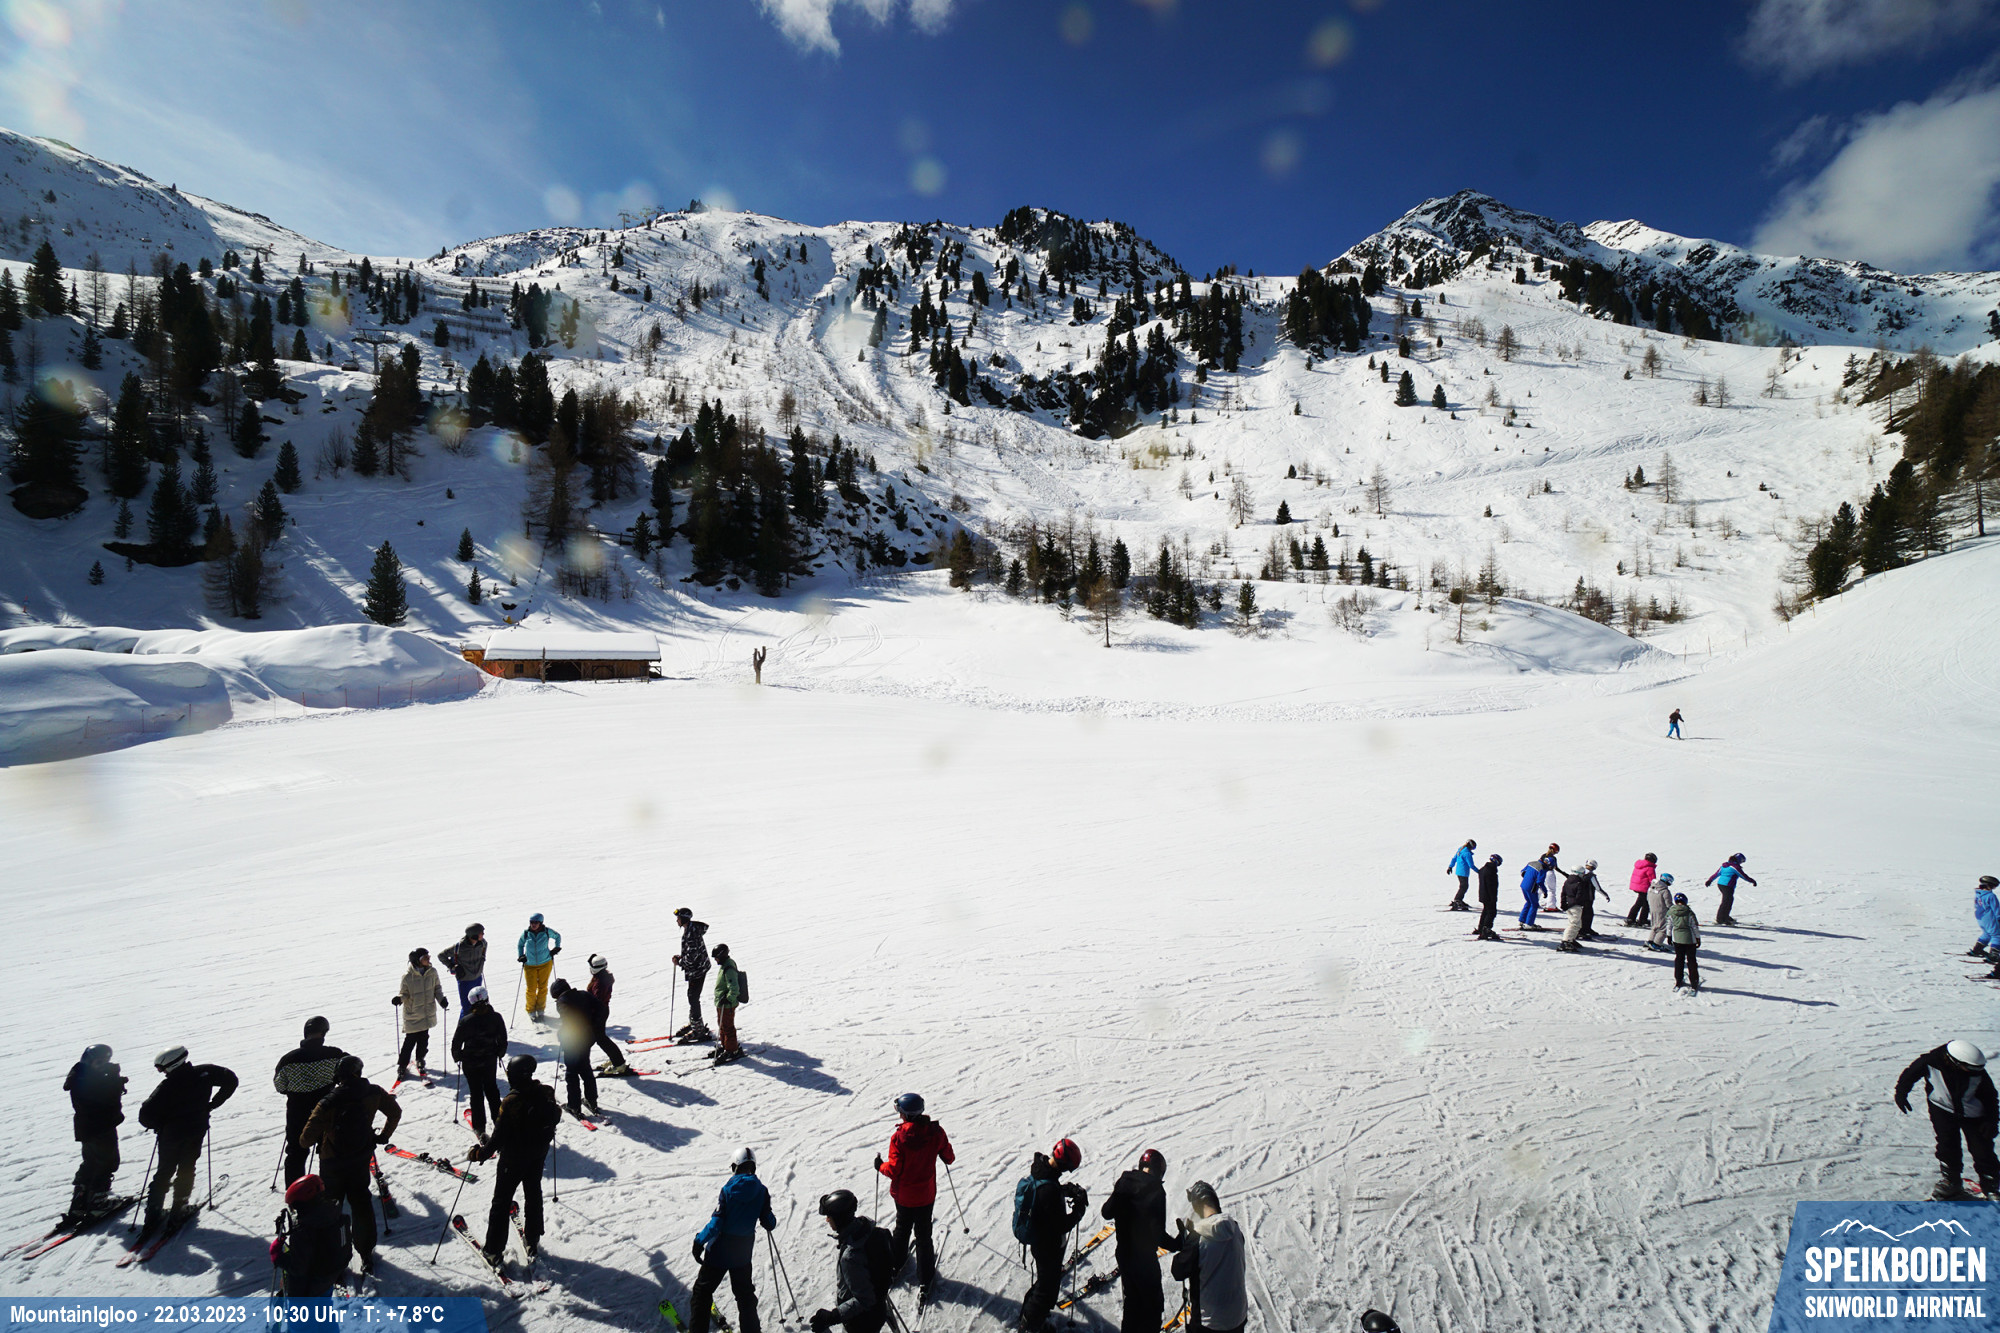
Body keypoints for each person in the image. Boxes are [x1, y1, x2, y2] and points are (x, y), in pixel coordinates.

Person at [299, 1055, 399, 1273]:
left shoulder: (328, 1101)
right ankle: (366, 1252)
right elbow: (395, 1112)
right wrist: (383, 1136)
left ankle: (334, 1255)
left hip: (331, 1161)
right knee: (361, 1203)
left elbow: (305, 1140)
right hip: (361, 1157)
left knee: (331, 1207)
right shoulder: (374, 1092)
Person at [468, 1054, 563, 1264]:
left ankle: (493, 1250)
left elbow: (497, 1138)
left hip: (513, 1159)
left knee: (501, 1202)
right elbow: (556, 1116)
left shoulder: (511, 1101)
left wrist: (478, 1154)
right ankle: (533, 1238)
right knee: (533, 1193)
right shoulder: (546, 1092)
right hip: (538, 1154)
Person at [135, 1046, 236, 1238]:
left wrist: (159, 1123)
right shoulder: (205, 1073)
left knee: (164, 1172)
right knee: (187, 1168)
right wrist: (212, 1105)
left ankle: (153, 1215)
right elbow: (231, 1080)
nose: (161, 1072)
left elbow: (145, 1115)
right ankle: (178, 1210)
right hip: (196, 1130)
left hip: (170, 1136)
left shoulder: (167, 1086)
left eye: (161, 1068)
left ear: (172, 1065)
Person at [1895, 1039, 2000, 1201]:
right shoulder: (1930, 1061)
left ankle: (1991, 1187)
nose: (1976, 1071)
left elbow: (1991, 1097)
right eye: (1971, 1068)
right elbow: (1909, 1075)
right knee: (1947, 1145)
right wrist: (1901, 1093)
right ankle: (1951, 1182)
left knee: (1982, 1150)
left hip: (1973, 1114)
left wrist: (1991, 1121)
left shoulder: (1977, 1072)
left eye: (1979, 1068)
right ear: (1954, 1061)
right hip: (1942, 1109)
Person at [875, 1092, 955, 1298]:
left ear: (906, 1115)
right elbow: (949, 1157)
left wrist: (880, 1166)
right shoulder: (935, 1132)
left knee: (902, 1229)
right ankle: (925, 1277)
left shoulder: (899, 1138)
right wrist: (941, 1153)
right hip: (925, 1195)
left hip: (904, 1196)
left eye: (900, 1112)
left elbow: (893, 1169)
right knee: (923, 1235)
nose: (899, 1115)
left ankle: (896, 1263)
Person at [691, 1146, 778, 1333]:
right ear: (753, 1167)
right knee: (745, 1297)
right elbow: (769, 1222)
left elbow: (716, 1224)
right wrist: (768, 1219)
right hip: (742, 1254)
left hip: (719, 1251)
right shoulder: (762, 1191)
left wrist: (699, 1241)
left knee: (702, 1293)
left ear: (735, 1166)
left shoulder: (728, 1190)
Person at [1101, 1149, 1176, 1333]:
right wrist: (1178, 1243)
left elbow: (1106, 1212)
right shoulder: (1157, 1191)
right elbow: (1158, 1236)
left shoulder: (1124, 1181)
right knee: (1152, 1307)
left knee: (1132, 1302)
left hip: (1124, 1255)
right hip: (1145, 1261)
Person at [1018, 1138, 1088, 1332]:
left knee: (1044, 1283)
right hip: (1047, 1246)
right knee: (1046, 1291)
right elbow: (1060, 1225)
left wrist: (1065, 1189)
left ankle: (1030, 1317)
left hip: (1040, 1241)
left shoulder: (1041, 1170)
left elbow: (1048, 1189)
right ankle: (1029, 1326)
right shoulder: (1049, 1190)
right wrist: (1078, 1212)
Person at [273, 1017, 345, 1185]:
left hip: (297, 1111)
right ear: (324, 1033)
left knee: (296, 1151)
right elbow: (349, 1071)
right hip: (326, 1108)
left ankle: (296, 1190)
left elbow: (280, 1086)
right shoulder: (335, 1054)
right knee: (328, 1148)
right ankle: (330, 1187)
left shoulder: (288, 1059)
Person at [62, 1044, 126, 1224]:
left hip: (86, 1128)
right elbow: (107, 1101)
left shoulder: (80, 1074)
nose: (102, 1065)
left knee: (90, 1162)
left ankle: (80, 1201)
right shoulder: (90, 1080)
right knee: (107, 1163)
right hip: (101, 1127)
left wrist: (111, 1079)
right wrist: (114, 1081)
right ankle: (98, 1202)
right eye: (99, 1062)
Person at [809, 1189, 889, 1333]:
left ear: (840, 1219)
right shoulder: (867, 1230)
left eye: (829, 1216)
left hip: (862, 1322)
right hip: (879, 1307)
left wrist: (833, 1316)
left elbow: (865, 1300)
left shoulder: (851, 1257)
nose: (827, 1220)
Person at [1171, 1181, 1245, 1333]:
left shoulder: (1198, 1238)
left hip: (1209, 1322)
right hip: (1238, 1316)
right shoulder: (1234, 1228)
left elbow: (1178, 1271)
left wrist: (1186, 1240)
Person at [271, 1174, 351, 1297]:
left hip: (308, 1289)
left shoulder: (304, 1230)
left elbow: (297, 1268)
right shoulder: (334, 1214)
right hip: (328, 1279)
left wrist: (278, 1257)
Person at [452, 985, 508, 1141]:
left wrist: (458, 1056)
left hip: (471, 1062)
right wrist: (499, 1052)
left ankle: (479, 1127)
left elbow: (456, 1042)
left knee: (476, 1093)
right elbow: (503, 1039)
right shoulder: (496, 1017)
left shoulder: (466, 1021)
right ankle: (499, 1121)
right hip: (489, 1060)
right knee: (492, 1090)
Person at [550, 978, 608, 1115]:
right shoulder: (583, 994)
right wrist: (595, 1026)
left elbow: (568, 1023)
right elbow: (602, 1008)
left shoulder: (563, 1002)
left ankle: (574, 1106)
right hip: (588, 1037)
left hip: (573, 1041)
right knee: (585, 1068)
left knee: (572, 1073)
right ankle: (591, 1100)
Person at [393, 947, 449, 1081]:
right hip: (413, 1014)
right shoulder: (408, 977)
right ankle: (402, 1065)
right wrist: (399, 999)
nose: (428, 959)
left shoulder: (432, 972)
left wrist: (441, 1000)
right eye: (425, 958)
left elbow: (437, 988)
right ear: (417, 960)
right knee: (410, 1041)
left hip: (427, 1013)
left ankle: (420, 1059)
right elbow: (404, 993)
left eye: (428, 957)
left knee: (424, 1040)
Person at [673, 908, 711, 1039]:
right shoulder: (691, 929)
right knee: (692, 996)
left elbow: (692, 955)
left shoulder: (691, 933)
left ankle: (698, 1029)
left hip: (697, 969)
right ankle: (695, 1024)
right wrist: (681, 958)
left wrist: (680, 962)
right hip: (698, 968)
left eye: (678, 918)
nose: (677, 921)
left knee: (693, 997)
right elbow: (691, 952)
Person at [518, 913, 562, 1021]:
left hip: (545, 963)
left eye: (536, 922)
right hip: (530, 965)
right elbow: (520, 944)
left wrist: (556, 948)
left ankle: (540, 1009)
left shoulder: (546, 931)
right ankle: (531, 1010)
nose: (533, 924)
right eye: (531, 922)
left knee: (543, 988)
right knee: (531, 989)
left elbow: (557, 936)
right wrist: (521, 955)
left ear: (541, 923)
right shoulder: (526, 933)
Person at [439, 924, 489, 1011]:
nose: (483, 934)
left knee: (479, 1005)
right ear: (474, 935)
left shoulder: (483, 944)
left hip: (478, 978)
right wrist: (452, 966)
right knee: (467, 1007)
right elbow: (441, 956)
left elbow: (482, 956)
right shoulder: (460, 947)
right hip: (465, 980)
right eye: (481, 933)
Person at [586, 954, 624, 1070]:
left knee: (599, 1039)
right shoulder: (602, 976)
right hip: (601, 1011)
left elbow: (597, 1000)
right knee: (599, 1039)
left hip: (598, 1013)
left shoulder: (600, 982)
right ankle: (617, 1061)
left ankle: (619, 1064)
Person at [1556, 861, 1603, 952]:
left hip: (1569, 905)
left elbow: (1563, 893)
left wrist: (1563, 904)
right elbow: (1579, 895)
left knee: (1577, 924)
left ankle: (1571, 939)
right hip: (1575, 906)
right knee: (1574, 924)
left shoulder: (1568, 881)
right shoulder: (1579, 882)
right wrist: (1582, 904)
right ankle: (1565, 941)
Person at [712, 944, 746, 1063]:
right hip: (721, 1003)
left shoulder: (729, 968)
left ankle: (732, 1050)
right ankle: (725, 1046)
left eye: (716, 957)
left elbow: (734, 988)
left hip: (727, 1005)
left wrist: (729, 999)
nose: (715, 960)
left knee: (728, 1027)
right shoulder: (725, 965)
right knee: (722, 1025)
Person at [1705, 854, 1757, 926]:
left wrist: (1710, 880)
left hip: (1721, 884)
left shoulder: (1724, 866)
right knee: (1726, 902)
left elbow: (1716, 874)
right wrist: (1752, 881)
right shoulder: (1735, 867)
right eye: (1741, 861)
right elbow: (1743, 876)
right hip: (1727, 886)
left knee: (1728, 901)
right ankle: (1720, 919)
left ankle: (1725, 916)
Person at [1666, 892, 1701, 992]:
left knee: (1679, 959)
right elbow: (1694, 927)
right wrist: (1698, 938)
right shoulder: (1689, 912)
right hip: (1690, 940)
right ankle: (1694, 981)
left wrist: (1669, 936)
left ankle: (1678, 979)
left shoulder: (1671, 912)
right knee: (1691, 960)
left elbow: (1669, 925)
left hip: (1677, 940)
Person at [1472, 854, 1503, 941]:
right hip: (1489, 895)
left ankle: (1481, 928)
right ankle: (1486, 929)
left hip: (1483, 894)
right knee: (1491, 912)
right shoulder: (1491, 871)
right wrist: (1493, 898)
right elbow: (1491, 886)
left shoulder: (1483, 869)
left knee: (1486, 911)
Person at [1646, 874, 1678, 951]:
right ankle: (1657, 944)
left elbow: (1648, 898)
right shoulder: (1665, 891)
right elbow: (1668, 904)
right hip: (1662, 911)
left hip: (1652, 909)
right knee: (1663, 928)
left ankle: (1650, 940)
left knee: (1654, 926)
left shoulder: (1651, 888)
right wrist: (1675, 909)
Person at [1626, 853, 1659, 927]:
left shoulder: (1640, 865)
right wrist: (1656, 887)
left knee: (1640, 903)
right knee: (1645, 904)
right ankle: (1641, 920)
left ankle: (1632, 918)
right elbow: (1652, 880)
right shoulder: (1650, 867)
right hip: (1644, 888)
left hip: (1637, 886)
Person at [1973, 876, 2000, 962]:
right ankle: (1994, 955)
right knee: (1997, 935)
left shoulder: (1978, 894)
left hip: (1980, 918)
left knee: (1987, 933)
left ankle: (1977, 949)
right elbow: (1996, 909)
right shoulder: (1991, 896)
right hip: (1989, 919)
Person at [1445, 839, 1477, 911]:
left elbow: (1454, 859)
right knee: (1464, 887)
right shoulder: (1467, 854)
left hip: (1459, 872)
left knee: (1463, 886)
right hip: (1463, 872)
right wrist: (1479, 872)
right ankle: (1457, 901)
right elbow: (1471, 865)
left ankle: (1459, 900)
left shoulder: (1461, 849)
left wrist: (1450, 867)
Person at [1516, 858, 1546, 930]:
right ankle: (1529, 924)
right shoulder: (1542, 869)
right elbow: (1540, 882)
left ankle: (1522, 920)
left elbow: (1522, 872)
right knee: (1534, 904)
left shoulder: (1531, 863)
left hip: (1523, 885)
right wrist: (1545, 892)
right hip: (1531, 888)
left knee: (1529, 902)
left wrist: (1528, 878)